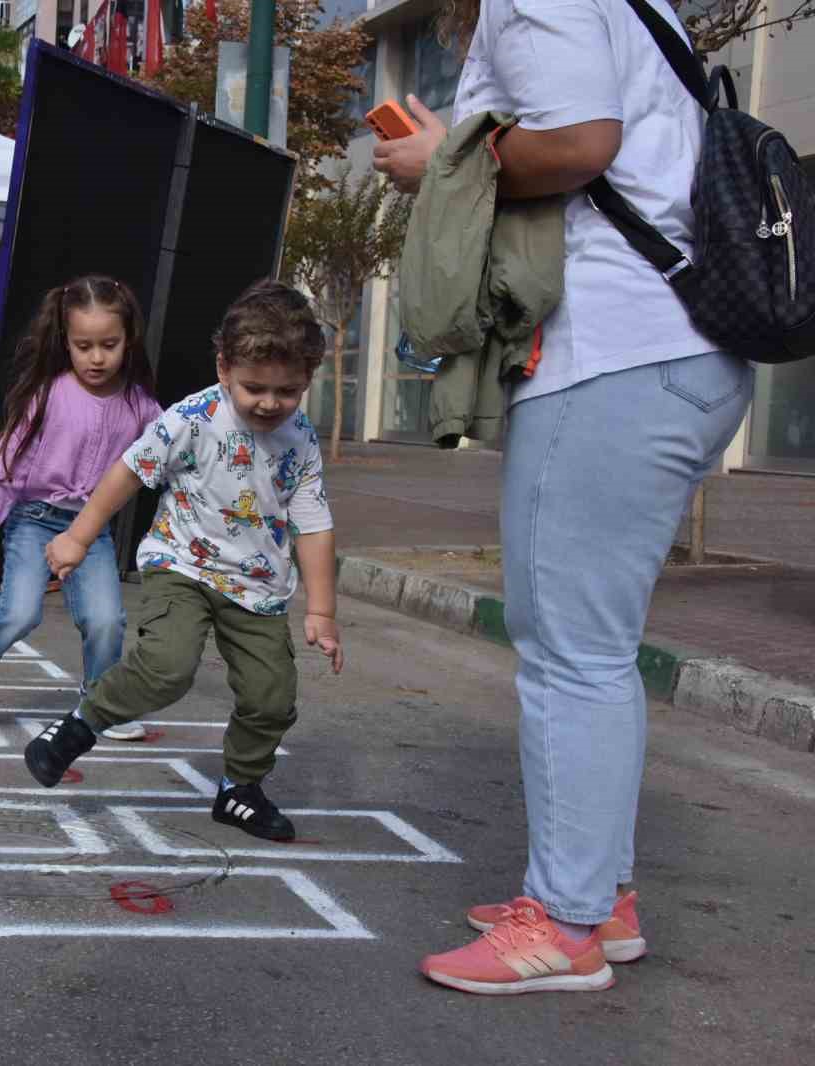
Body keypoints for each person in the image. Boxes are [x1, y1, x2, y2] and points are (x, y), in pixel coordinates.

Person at [372, 0, 753, 996]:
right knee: (593, 645)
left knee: (565, 646)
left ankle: (567, 923)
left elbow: (582, 143)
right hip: (676, 349)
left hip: (611, 355)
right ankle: (599, 898)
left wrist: (441, 161)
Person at [24, 281, 345, 843]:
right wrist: (78, 536)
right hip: (183, 564)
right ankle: (78, 727)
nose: (270, 403)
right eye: (254, 388)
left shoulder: (301, 439)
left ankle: (239, 790)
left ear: (307, 378)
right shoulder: (192, 418)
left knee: (272, 697)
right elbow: (127, 471)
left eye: (287, 391)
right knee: (167, 666)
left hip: (259, 586)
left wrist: (322, 608)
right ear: (224, 368)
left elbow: (313, 522)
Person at [0, 277, 162, 740]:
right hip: (34, 519)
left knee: (106, 618)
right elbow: (4, 466)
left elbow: (174, 452)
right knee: (19, 612)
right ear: (65, 342)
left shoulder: (141, 406)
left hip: (90, 529)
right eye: (83, 345)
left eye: (108, 345)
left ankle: (99, 701)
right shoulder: (48, 396)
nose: (96, 357)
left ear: (128, 341)